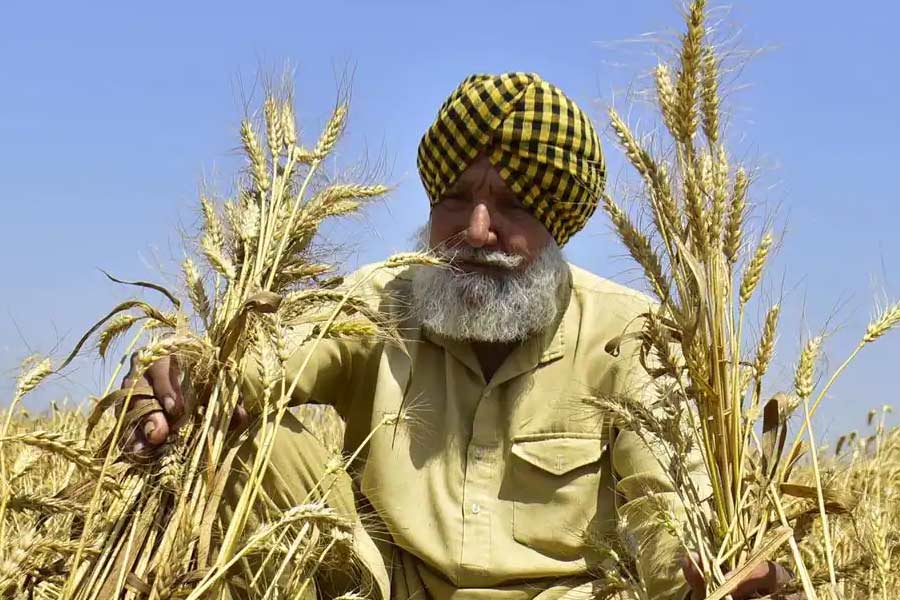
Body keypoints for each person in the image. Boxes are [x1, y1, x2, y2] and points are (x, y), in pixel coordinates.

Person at [124, 73, 795, 599]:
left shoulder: (631, 336)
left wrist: (711, 577)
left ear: (559, 222)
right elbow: (264, 355)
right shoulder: (380, 299)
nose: (476, 230)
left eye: (513, 205)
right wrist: (185, 377)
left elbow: (665, 510)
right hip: (380, 590)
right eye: (455, 199)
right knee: (243, 438)